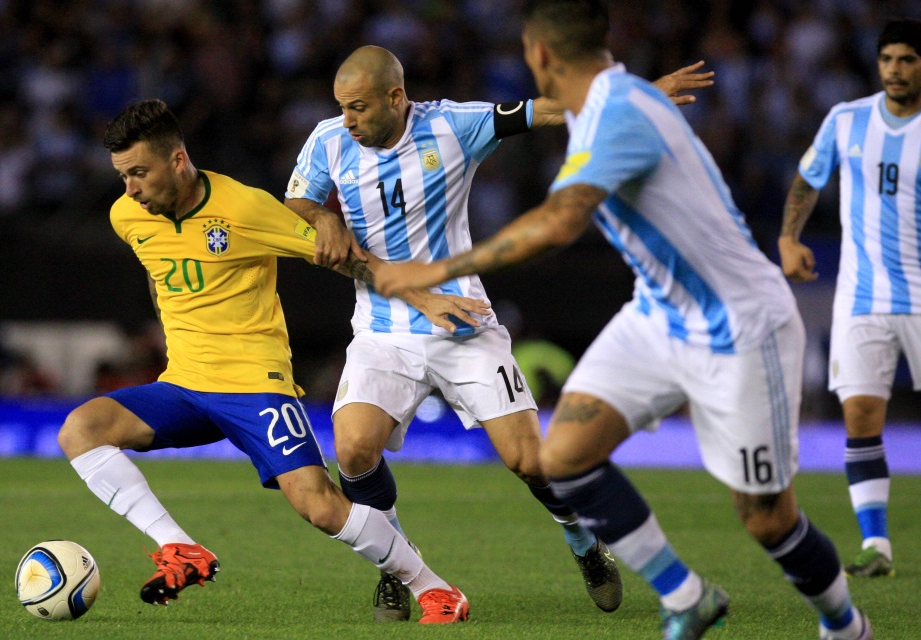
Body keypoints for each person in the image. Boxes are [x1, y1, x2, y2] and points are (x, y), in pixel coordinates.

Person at [373, 2, 872, 639]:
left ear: (542, 54)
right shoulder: (611, 102)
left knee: (768, 520)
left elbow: (559, 222)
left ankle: (845, 625)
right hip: (660, 317)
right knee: (564, 456)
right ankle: (686, 596)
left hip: (741, 327)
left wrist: (431, 272)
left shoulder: (617, 114)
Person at [283, 43, 713, 621]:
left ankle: (583, 543)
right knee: (354, 449)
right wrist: (324, 215)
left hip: (463, 323)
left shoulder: (453, 126)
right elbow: (297, 199)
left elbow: (544, 110)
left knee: (531, 461)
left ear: (395, 96)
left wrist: (633, 95)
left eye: (359, 107)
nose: (349, 119)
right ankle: (395, 564)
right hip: (383, 332)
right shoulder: (330, 138)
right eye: (342, 107)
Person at [56, 99, 485, 623]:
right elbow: (156, 266)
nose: (130, 189)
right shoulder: (128, 215)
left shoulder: (243, 209)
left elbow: (347, 258)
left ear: (177, 160)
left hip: (254, 386)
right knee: (82, 429)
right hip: (184, 385)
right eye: (123, 176)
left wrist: (425, 297)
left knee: (321, 507)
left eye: (139, 172)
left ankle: (435, 588)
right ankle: (179, 549)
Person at [778, 17, 921, 580]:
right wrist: (789, 237)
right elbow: (809, 178)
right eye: (888, 59)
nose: (895, 69)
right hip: (861, 296)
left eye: (907, 59)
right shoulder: (847, 119)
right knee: (861, 415)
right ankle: (877, 544)